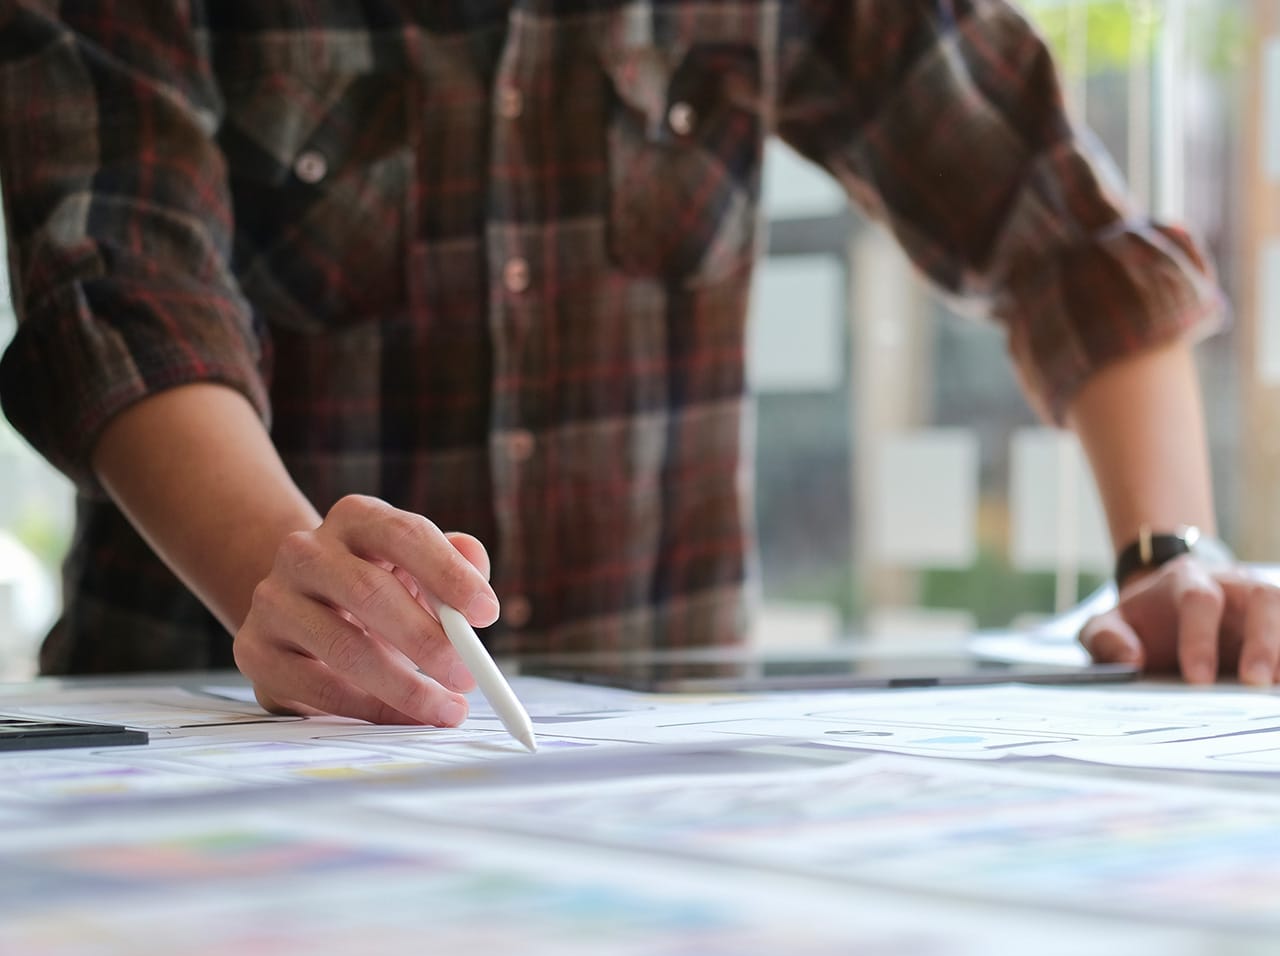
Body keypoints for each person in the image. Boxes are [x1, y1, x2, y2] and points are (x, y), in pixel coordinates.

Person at [0, 1, 1274, 727]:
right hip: (205, 739)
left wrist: (1173, 559)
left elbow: (1065, 236)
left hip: (655, 776)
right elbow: (119, 282)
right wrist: (284, 582)